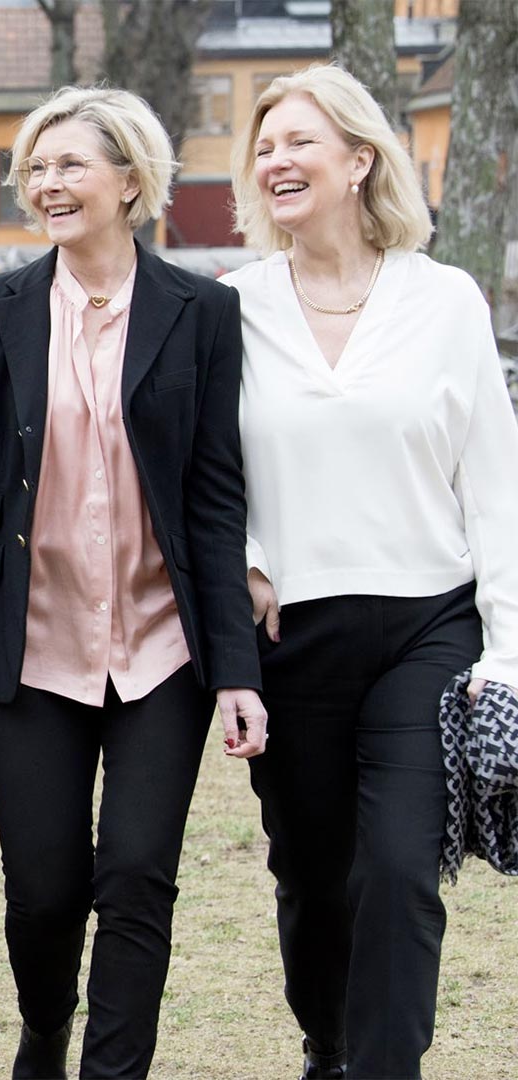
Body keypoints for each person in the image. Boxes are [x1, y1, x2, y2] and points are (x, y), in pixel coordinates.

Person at [0, 86, 265, 1079]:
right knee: (45, 892)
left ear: (131, 181)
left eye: (71, 164)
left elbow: (214, 499)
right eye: (38, 166)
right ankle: (43, 1028)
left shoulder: (204, 311)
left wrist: (236, 669)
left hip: (163, 649)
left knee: (139, 878)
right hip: (31, 649)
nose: (48, 182)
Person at [223, 64, 518, 1080]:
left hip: (426, 628)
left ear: (360, 159)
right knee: (312, 874)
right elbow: (206, 479)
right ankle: (330, 1047)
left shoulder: (445, 301)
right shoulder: (232, 308)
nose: (276, 160)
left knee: (399, 868)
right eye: (263, 147)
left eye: (299, 140)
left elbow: (496, 484)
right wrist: (247, 561)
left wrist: (510, 648)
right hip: (290, 637)